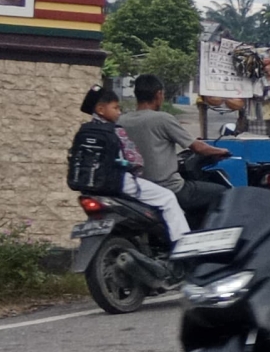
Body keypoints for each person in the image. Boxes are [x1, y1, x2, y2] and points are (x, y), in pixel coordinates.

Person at [78, 86, 191, 242]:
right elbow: (134, 160)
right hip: (118, 182)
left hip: (90, 186)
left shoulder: (84, 130)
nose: (119, 112)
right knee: (167, 197)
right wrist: (137, 171)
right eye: (116, 107)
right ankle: (183, 243)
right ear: (101, 109)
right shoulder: (115, 130)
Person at [121, 74, 230, 223]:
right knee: (223, 193)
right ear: (159, 94)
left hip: (136, 188)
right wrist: (222, 151)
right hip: (169, 187)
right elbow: (198, 147)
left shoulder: (122, 120)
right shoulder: (162, 119)